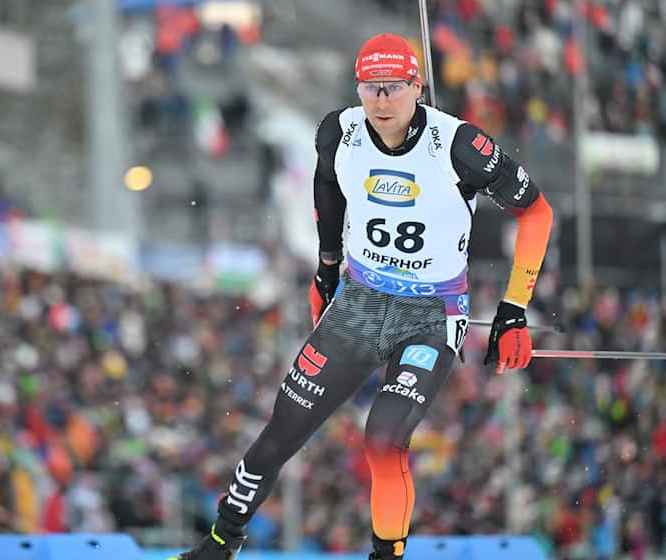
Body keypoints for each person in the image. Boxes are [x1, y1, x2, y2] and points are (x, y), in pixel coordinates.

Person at [172, 33, 553, 560]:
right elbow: (327, 187)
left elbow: (536, 211)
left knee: (382, 439)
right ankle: (219, 544)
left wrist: (513, 311)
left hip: (431, 313)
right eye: (370, 88)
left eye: (393, 88)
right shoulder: (339, 131)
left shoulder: (461, 146)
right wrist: (326, 270)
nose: (380, 101)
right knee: (283, 430)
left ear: (416, 87)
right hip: (360, 301)